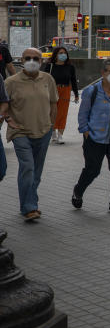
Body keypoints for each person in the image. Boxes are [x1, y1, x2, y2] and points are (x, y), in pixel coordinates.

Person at [4, 47, 58, 221]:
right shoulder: (11, 82)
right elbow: (3, 105)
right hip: (20, 132)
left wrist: (51, 125)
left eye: (36, 58)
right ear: (21, 60)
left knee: (36, 171)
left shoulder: (47, 79)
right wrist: (7, 119)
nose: (32, 61)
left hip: (43, 131)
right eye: (28, 58)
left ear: (41, 61)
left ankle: (29, 204)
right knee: (27, 168)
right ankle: (29, 208)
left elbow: (53, 103)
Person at [72, 58, 110, 215]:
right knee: (93, 170)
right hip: (95, 138)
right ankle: (78, 190)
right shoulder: (92, 91)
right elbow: (83, 115)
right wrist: (86, 131)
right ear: (103, 73)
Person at [42, 46, 79, 144]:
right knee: (52, 112)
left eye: (64, 53)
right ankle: (53, 132)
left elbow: (73, 81)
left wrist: (76, 94)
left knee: (63, 113)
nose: (63, 55)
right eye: (60, 53)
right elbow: (43, 80)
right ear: (56, 55)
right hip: (52, 90)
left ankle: (60, 135)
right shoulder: (49, 66)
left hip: (65, 90)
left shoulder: (70, 67)